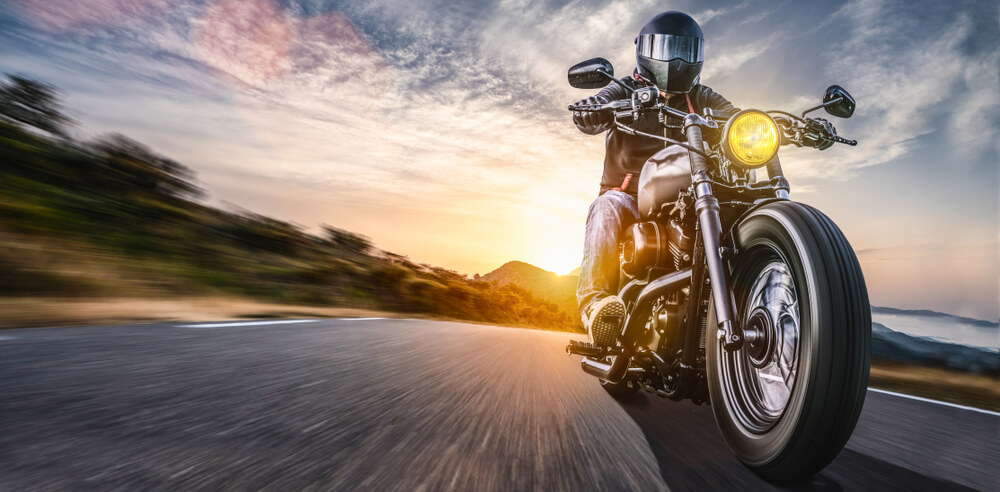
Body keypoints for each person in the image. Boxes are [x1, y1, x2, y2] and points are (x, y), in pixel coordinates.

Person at [572, 11, 737, 348]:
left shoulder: (702, 97)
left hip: (686, 201)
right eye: (665, 48)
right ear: (645, 51)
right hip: (629, 198)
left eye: (684, 50)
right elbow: (593, 110)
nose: (675, 59)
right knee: (605, 207)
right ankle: (596, 306)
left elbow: (736, 116)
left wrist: (770, 126)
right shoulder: (625, 88)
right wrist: (594, 108)